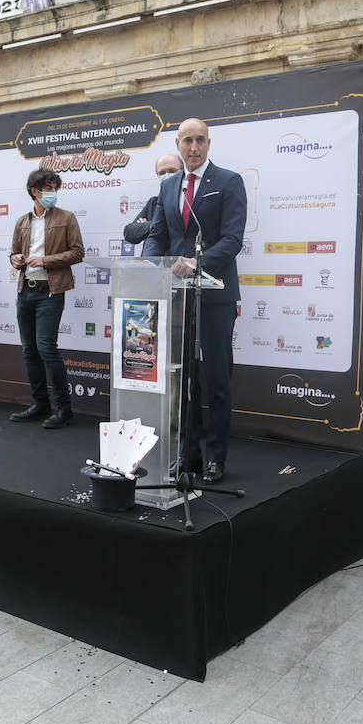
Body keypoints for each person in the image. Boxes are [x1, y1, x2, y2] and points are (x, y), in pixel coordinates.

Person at [144, 118, 248, 482]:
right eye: (187, 140)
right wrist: (151, 265)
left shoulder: (228, 182)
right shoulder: (169, 186)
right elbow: (158, 235)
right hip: (178, 296)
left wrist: (196, 263)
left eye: (200, 139)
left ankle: (216, 457)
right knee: (184, 379)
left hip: (215, 296)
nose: (194, 146)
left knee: (217, 378)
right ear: (177, 144)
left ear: (208, 143)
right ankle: (188, 455)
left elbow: (232, 239)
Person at [9, 169, 85, 429]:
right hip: (25, 291)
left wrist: (45, 260)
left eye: (55, 188)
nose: (53, 193)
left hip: (50, 292)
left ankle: (64, 409)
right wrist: (15, 259)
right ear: (35, 191)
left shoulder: (67, 218)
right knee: (29, 350)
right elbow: (13, 253)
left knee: (46, 348)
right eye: (48, 188)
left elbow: (77, 253)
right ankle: (40, 404)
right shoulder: (22, 221)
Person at [123, 153, 183, 248]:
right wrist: (151, 226)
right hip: (150, 257)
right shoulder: (153, 203)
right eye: (162, 173)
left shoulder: (188, 202)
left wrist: (145, 227)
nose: (167, 176)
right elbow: (129, 233)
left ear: (183, 172)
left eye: (172, 171)